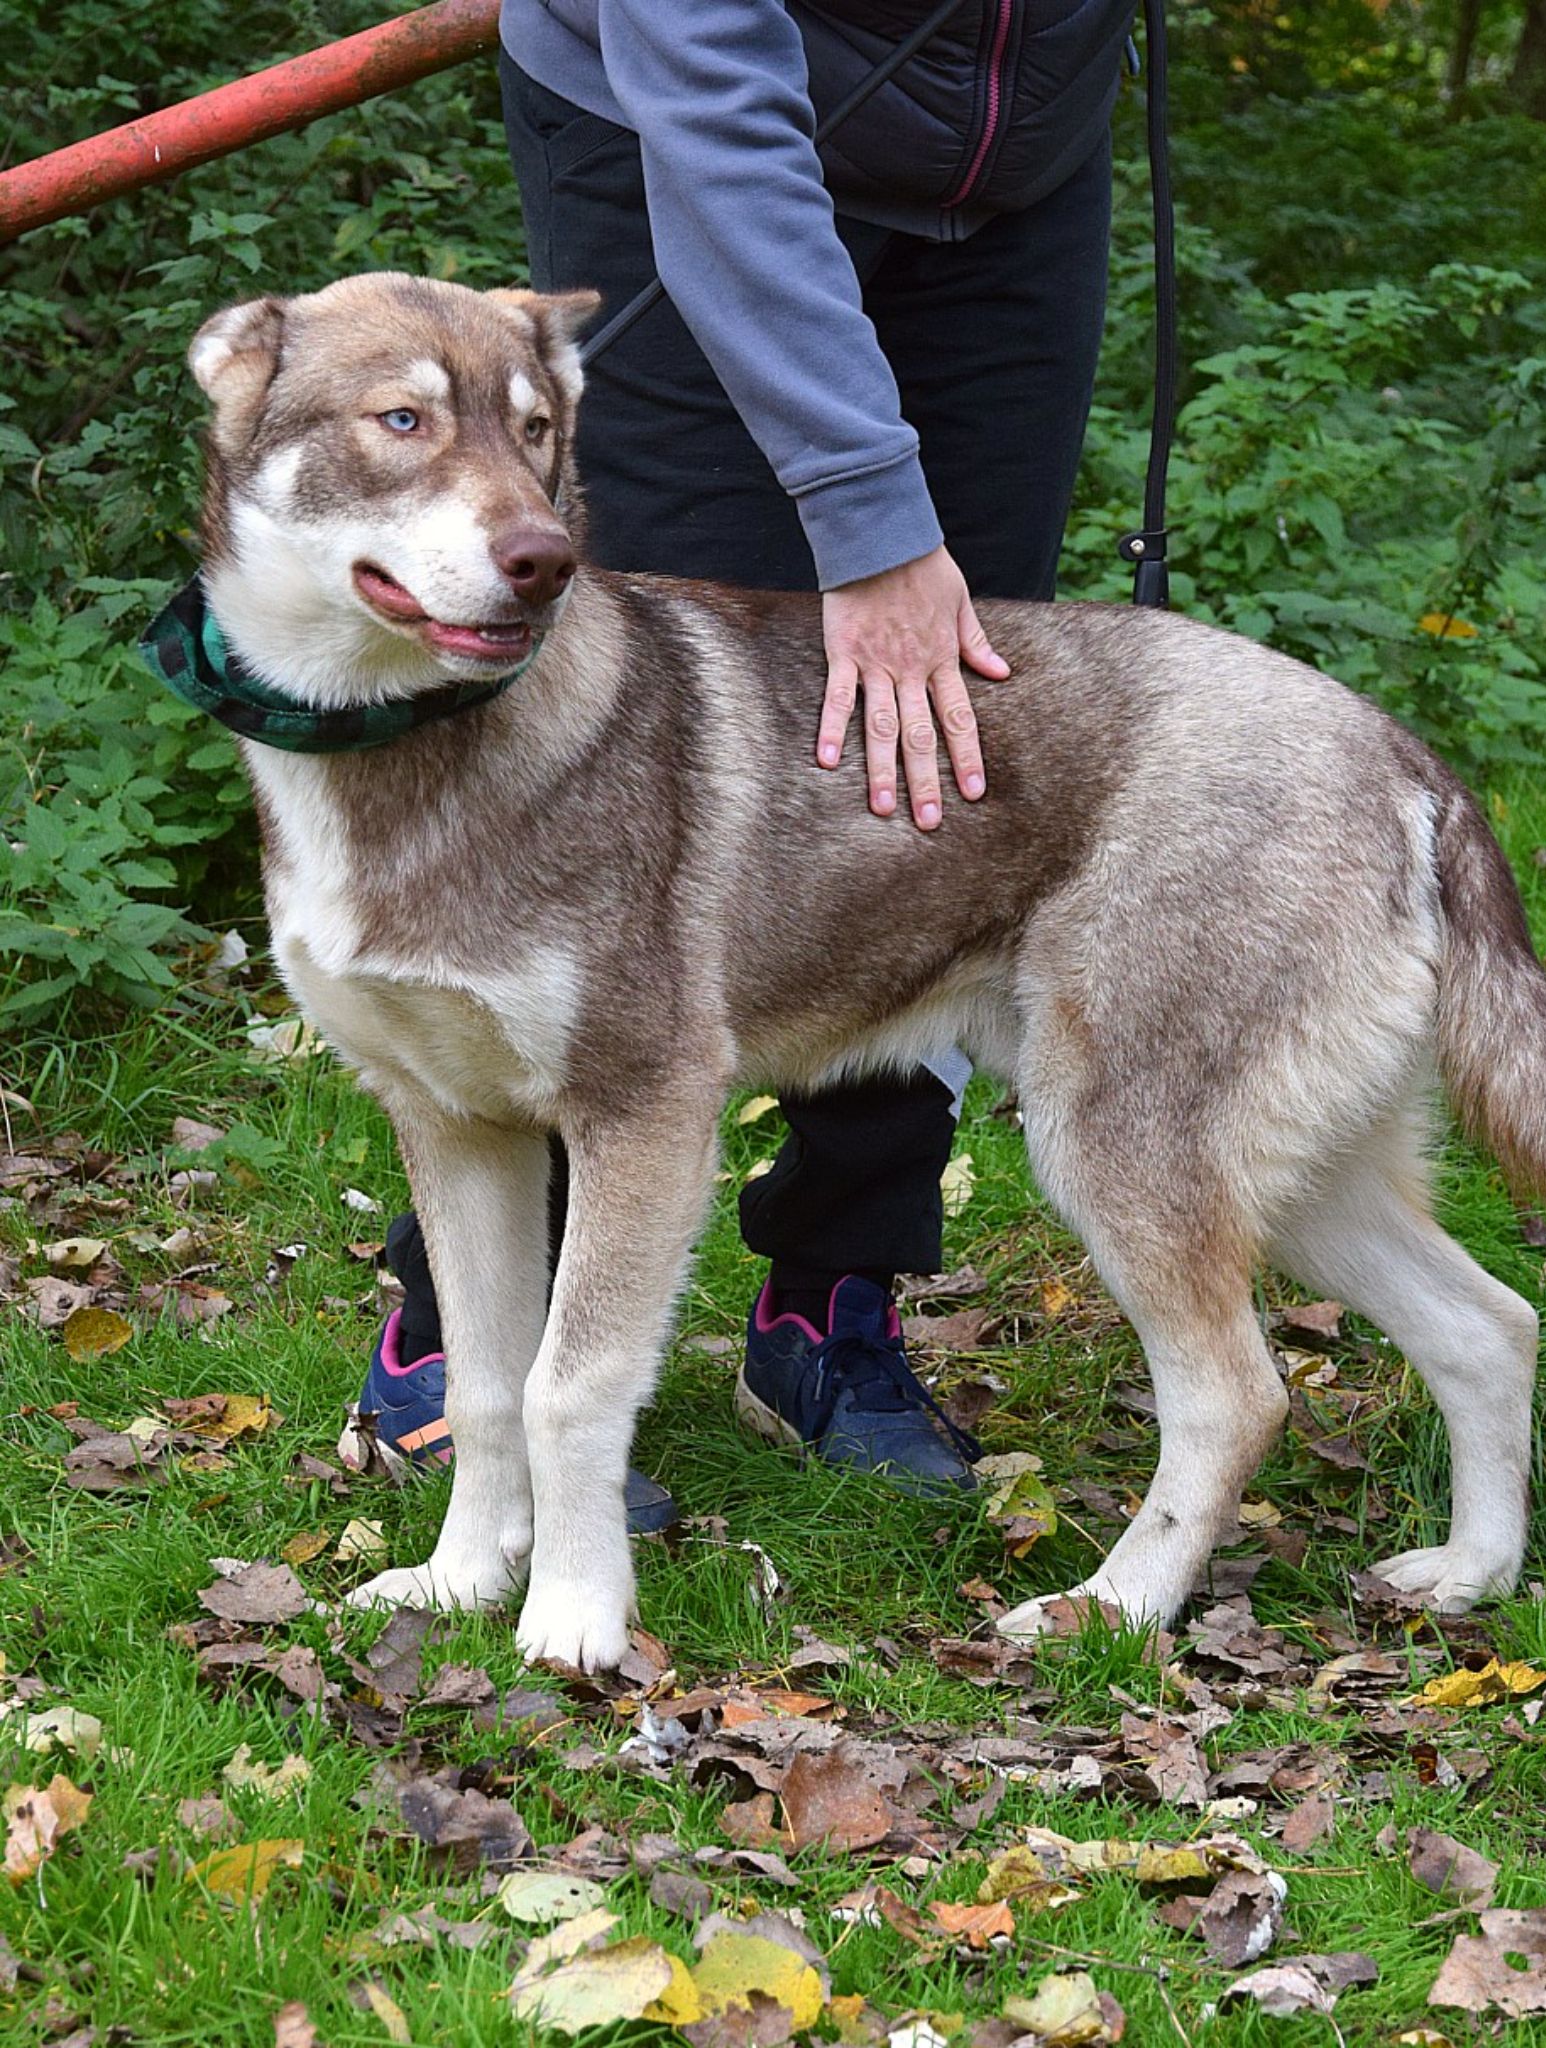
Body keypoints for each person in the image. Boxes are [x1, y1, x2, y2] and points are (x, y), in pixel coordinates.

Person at [346, 0, 1135, 1518]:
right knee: (629, 776)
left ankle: (831, 1299)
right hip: (682, 134)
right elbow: (714, 106)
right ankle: (464, 1349)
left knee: (941, 757)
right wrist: (869, 513)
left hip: (1014, 166)